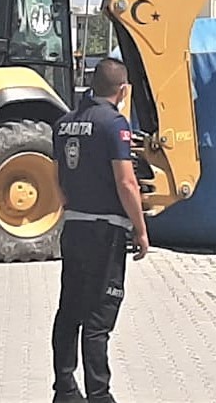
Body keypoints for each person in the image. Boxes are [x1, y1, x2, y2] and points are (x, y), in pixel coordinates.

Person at [49, 57, 149, 403]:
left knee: (69, 309)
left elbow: (57, 176)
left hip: (74, 226)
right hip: (105, 233)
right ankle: (99, 394)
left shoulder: (62, 124)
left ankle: (64, 387)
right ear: (122, 91)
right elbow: (126, 182)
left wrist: (69, 202)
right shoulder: (114, 125)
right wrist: (141, 229)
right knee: (99, 315)